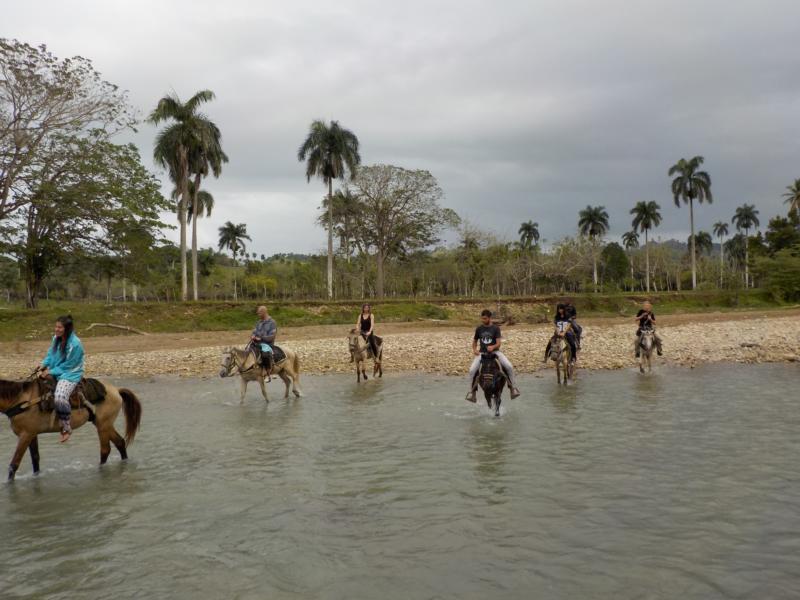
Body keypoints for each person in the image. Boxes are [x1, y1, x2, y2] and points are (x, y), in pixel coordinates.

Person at [39, 315, 84, 443]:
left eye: (60, 327)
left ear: (67, 329)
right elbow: (51, 354)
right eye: (56, 326)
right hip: (56, 369)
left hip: (70, 373)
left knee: (59, 397)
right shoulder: (56, 338)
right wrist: (43, 364)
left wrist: (51, 371)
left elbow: (69, 365)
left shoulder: (75, 344)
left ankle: (66, 426)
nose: (56, 329)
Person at [466, 309, 520, 402]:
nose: (483, 320)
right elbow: (474, 342)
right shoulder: (479, 329)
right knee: (471, 370)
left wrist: (493, 347)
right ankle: (472, 393)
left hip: (495, 353)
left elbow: (498, 343)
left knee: (509, 366)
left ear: (490, 318)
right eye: (482, 318)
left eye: (485, 318)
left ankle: (513, 388)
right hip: (482, 354)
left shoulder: (495, 328)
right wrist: (475, 350)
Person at [251, 306, 277, 373]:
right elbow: (254, 332)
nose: (258, 315)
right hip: (257, 343)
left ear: (264, 312)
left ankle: (268, 370)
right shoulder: (258, 322)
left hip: (268, 344)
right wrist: (253, 336)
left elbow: (272, 337)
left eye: (259, 313)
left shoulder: (272, 322)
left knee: (264, 354)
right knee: (247, 350)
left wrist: (261, 338)